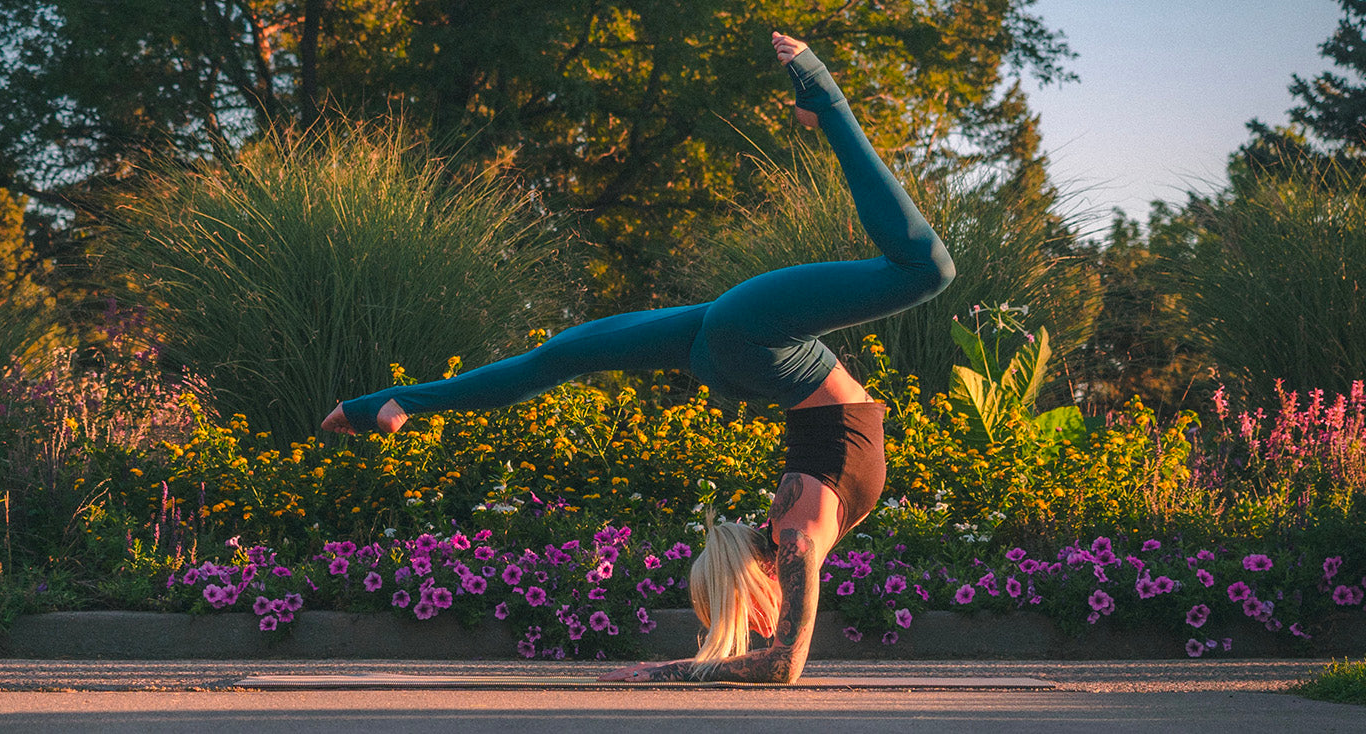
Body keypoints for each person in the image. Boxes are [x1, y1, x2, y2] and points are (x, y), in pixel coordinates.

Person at [322, 32, 954, 683]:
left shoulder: (795, 536)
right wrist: (678, 668)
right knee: (558, 359)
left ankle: (383, 404)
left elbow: (781, 666)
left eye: (751, 618)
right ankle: (384, 406)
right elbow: (782, 663)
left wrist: (659, 674)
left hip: (756, 342)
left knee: (925, 270)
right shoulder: (796, 536)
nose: (765, 625)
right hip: (739, 353)